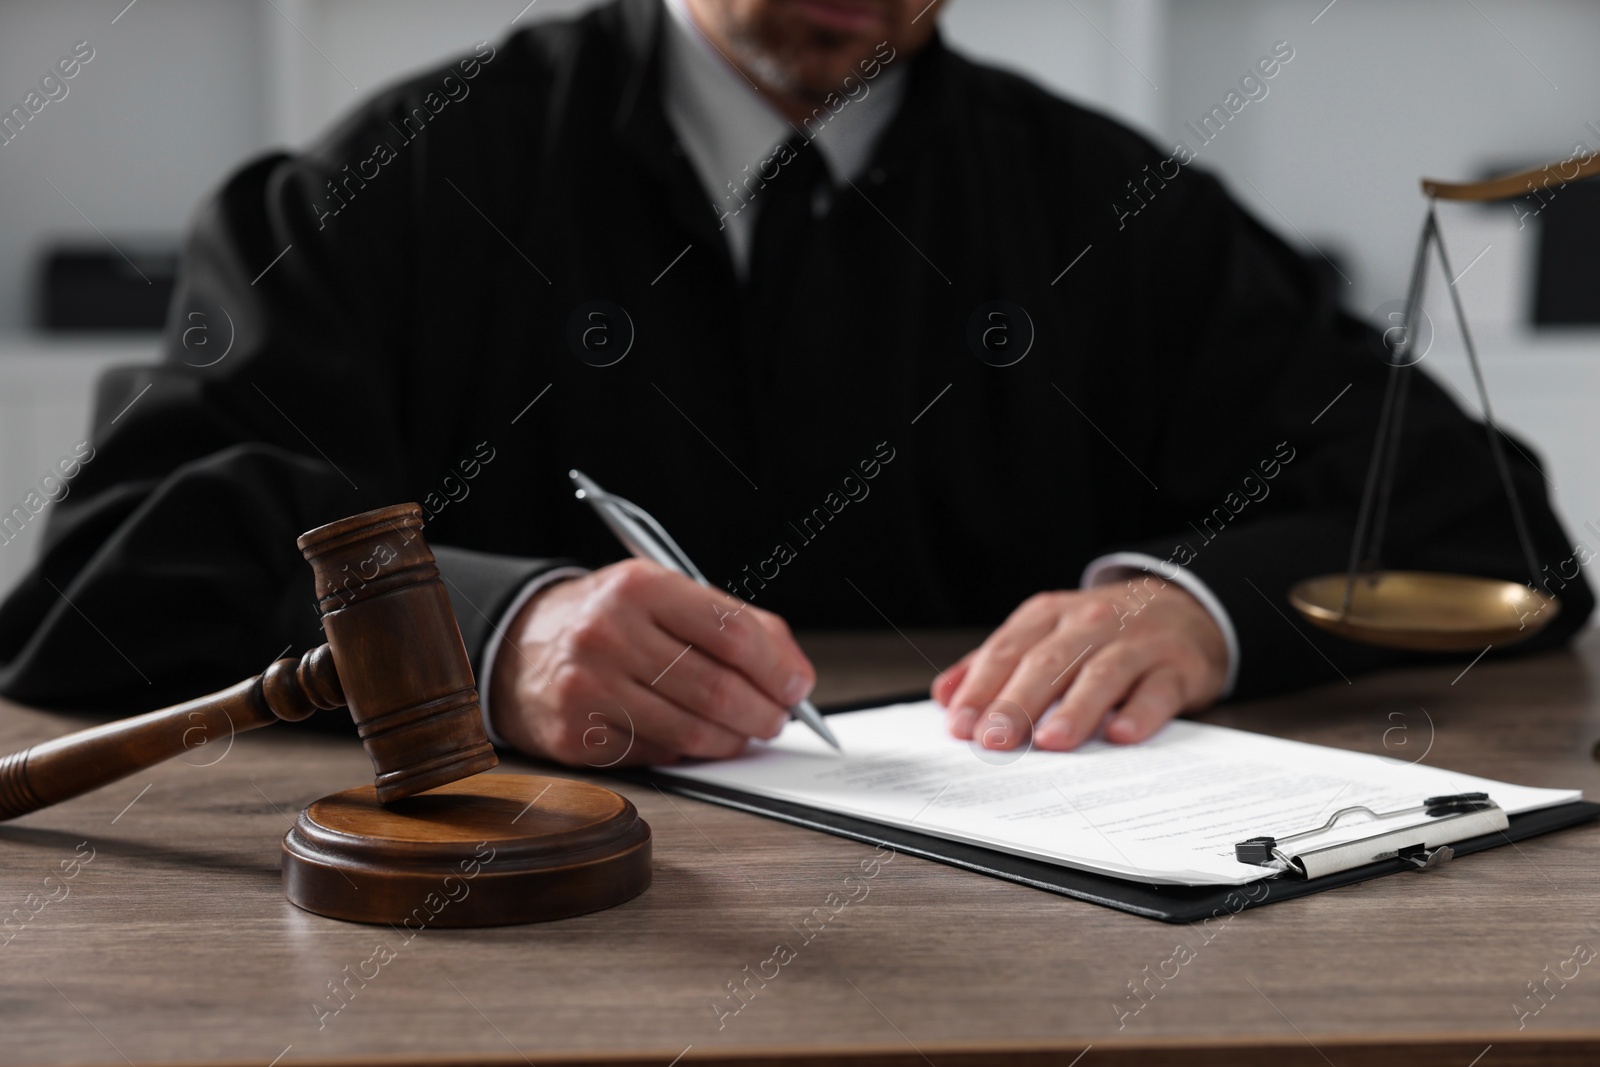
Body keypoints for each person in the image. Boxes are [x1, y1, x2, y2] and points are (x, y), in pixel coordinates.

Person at [0, 0, 1588, 766]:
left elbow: (1490, 531)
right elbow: (109, 581)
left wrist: (1201, 606)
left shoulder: (1115, 211)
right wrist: (488, 629)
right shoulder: (408, 181)